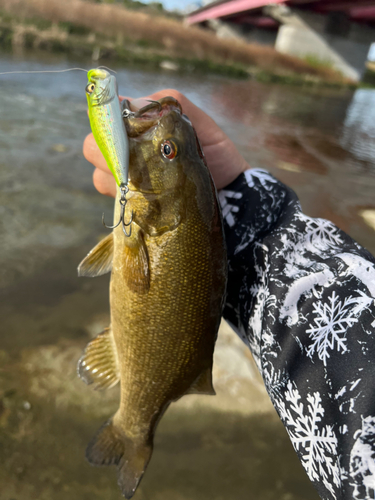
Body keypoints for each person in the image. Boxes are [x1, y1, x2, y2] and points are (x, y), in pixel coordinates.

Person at [83, 90, 375, 500]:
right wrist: (245, 199)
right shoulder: (154, 216)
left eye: (167, 150)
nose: (162, 141)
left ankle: (133, 428)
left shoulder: (148, 222)